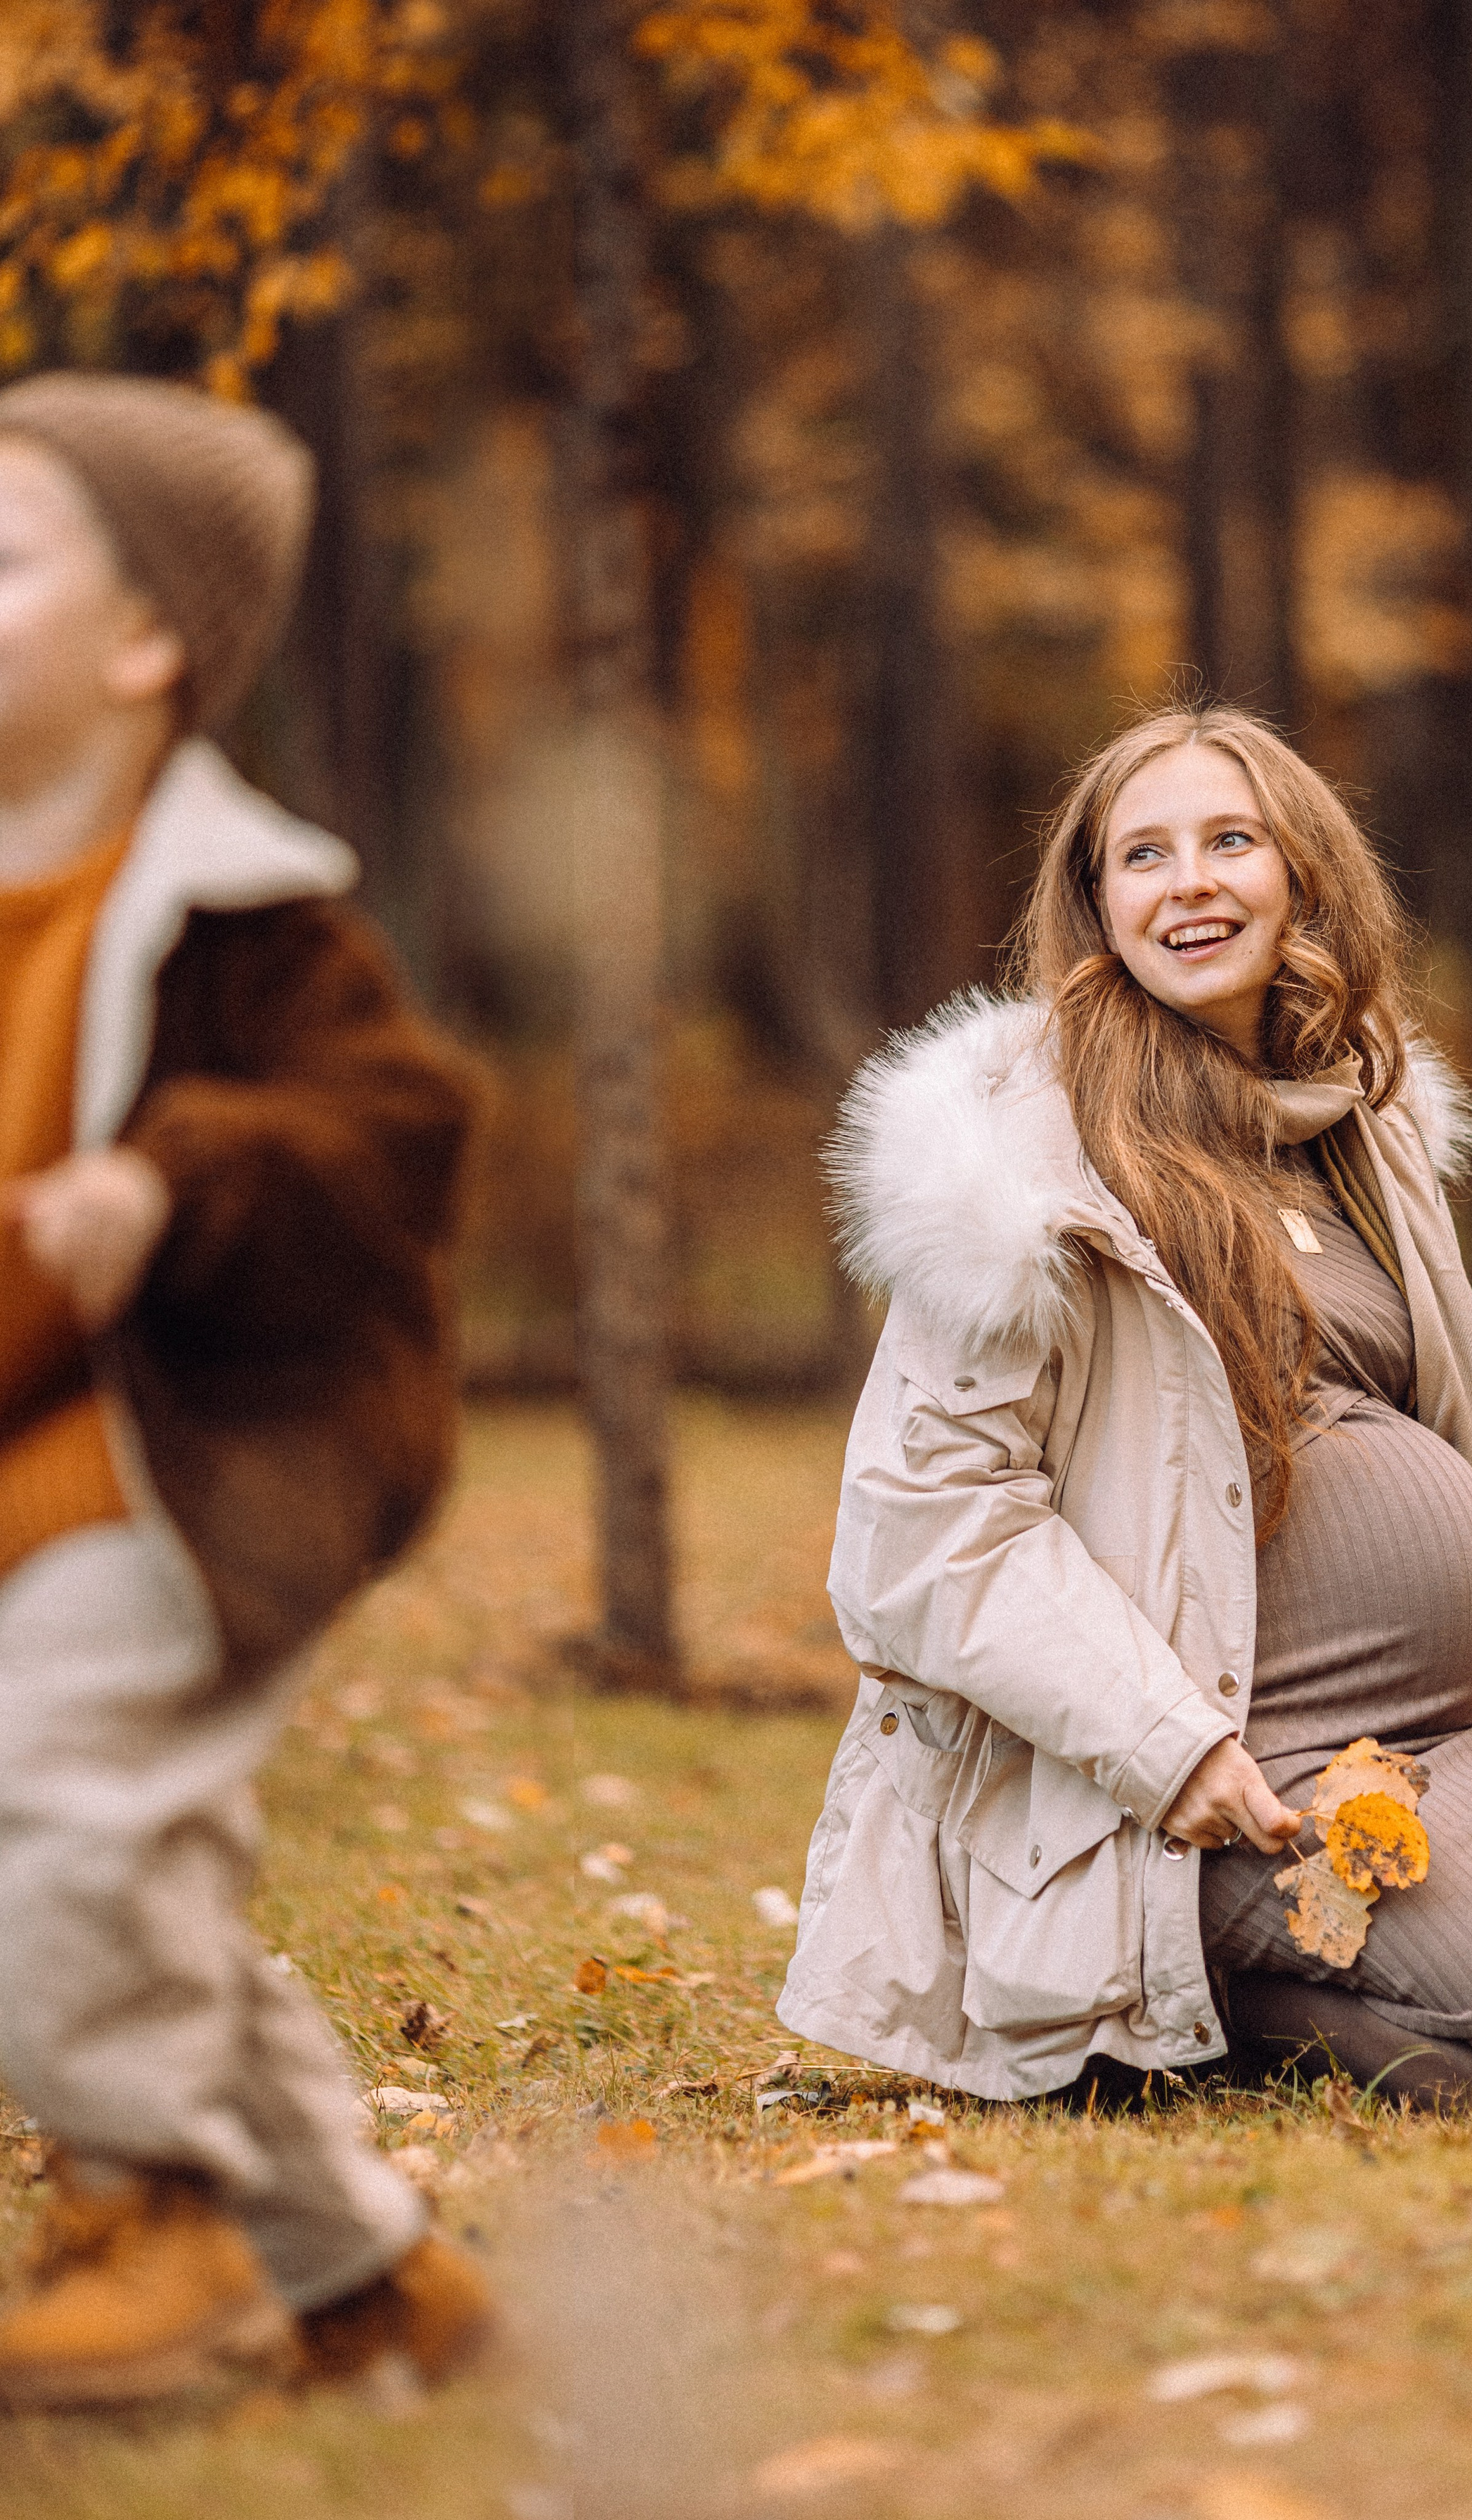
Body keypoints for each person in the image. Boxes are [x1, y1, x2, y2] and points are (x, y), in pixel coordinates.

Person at [780, 700, 1472, 2112]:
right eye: (1143, 855)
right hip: (1241, 1789)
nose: (1187, 882)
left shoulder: (1360, 1126)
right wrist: (1167, 1745)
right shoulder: (1018, 1163)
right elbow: (927, 1527)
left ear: (1301, 873)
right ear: (1097, 904)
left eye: (1229, 840)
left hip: (1471, 1747)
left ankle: (1467, 1953)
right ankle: (1222, 1988)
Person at [0, 370, 489, 2408]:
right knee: (118, 1878)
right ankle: (365, 2273)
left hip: (229, 1452)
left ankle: (156, 2217)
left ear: (145, 645)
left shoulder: (246, 910)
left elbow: (401, 1128)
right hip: (36, 1446)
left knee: (62, 1794)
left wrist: (175, 1177)